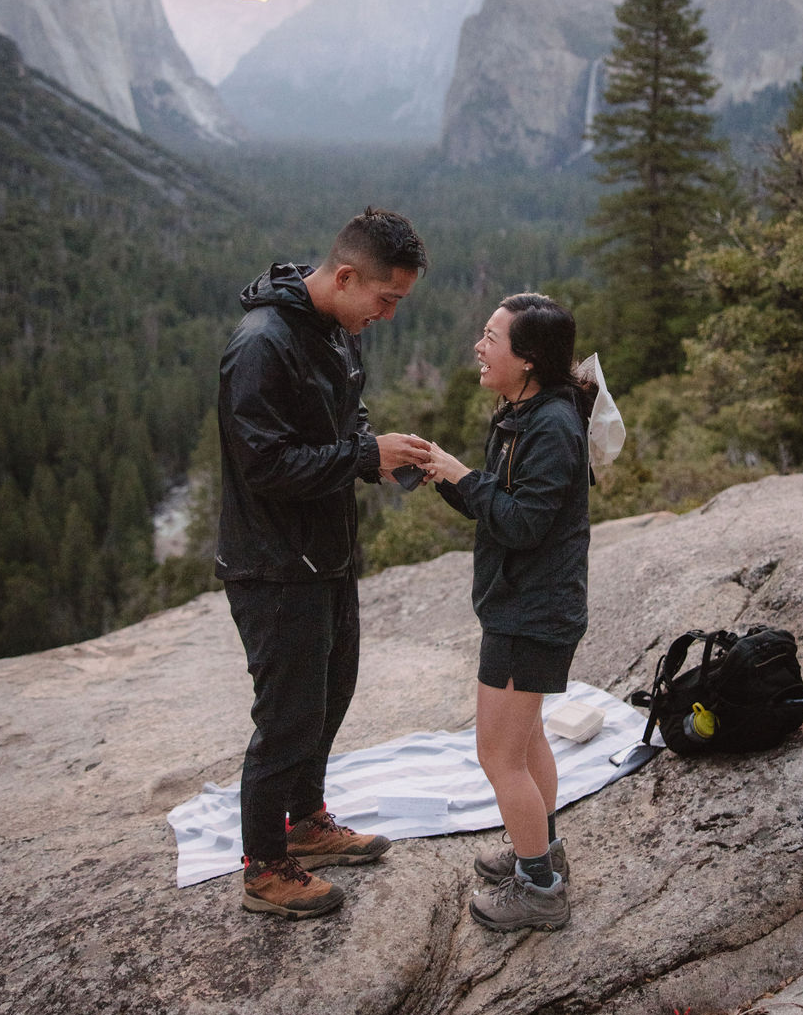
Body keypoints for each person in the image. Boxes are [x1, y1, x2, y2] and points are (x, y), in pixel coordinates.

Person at [217, 207, 431, 919]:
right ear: (345, 275)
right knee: (286, 716)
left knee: (331, 693)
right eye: (386, 298)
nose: (389, 314)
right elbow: (265, 466)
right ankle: (264, 866)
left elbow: (349, 416)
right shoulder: (260, 345)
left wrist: (375, 452)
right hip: (274, 563)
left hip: (327, 553)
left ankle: (305, 821)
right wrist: (364, 456)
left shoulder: (337, 333)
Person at [422, 293, 593, 933]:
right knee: (527, 741)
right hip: (525, 605)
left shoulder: (551, 427)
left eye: (492, 337)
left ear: (526, 361)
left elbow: (522, 525)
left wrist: (468, 478)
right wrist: (445, 474)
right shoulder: (524, 412)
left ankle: (540, 890)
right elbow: (500, 507)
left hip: (531, 612)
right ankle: (540, 854)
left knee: (498, 756)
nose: (479, 345)